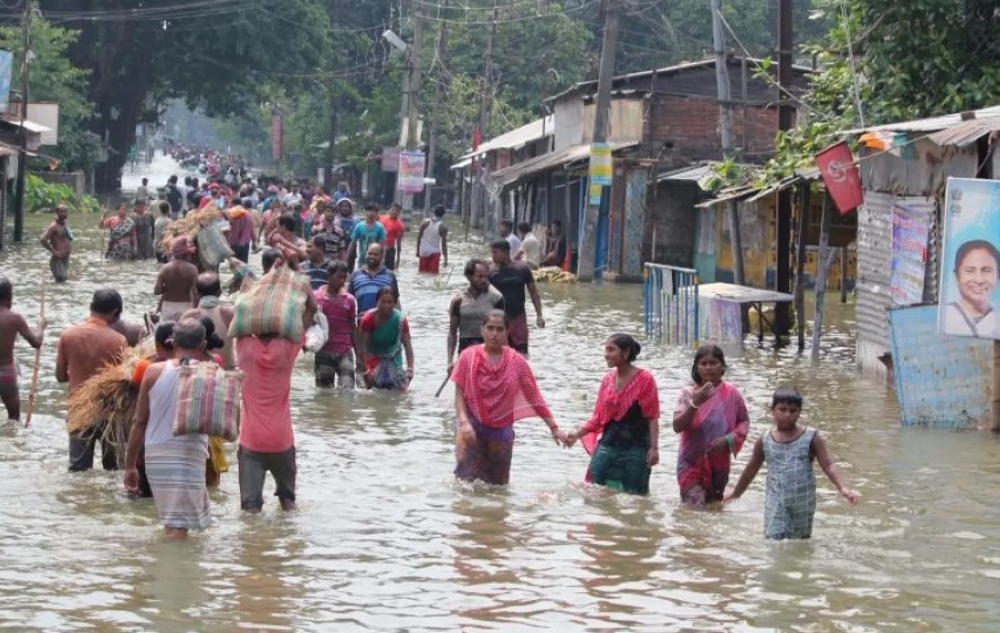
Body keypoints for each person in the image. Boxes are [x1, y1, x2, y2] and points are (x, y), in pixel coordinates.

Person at [725, 387, 860, 539]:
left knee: (800, 543)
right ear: (772, 410)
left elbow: (828, 465)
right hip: (776, 501)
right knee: (774, 540)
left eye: (793, 410)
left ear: (799, 412)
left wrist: (843, 488)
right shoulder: (765, 440)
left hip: (803, 502)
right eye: (782, 409)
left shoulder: (811, 438)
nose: (788, 415)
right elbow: (751, 468)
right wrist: (736, 494)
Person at [450, 310, 567, 485]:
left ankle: (496, 512)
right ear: (482, 330)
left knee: (497, 486)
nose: (494, 334)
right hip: (471, 426)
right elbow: (459, 394)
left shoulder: (517, 362)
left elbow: (534, 397)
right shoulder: (468, 357)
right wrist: (464, 421)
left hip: (501, 431)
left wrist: (554, 428)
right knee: (464, 482)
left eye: (499, 329)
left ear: (507, 332)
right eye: (490, 328)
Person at [124, 318, 211, 539]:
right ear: (202, 346)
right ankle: (173, 572)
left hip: (156, 455)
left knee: (171, 522)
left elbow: (139, 421)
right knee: (180, 527)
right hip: (190, 454)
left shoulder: (152, 372)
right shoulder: (209, 373)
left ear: (172, 341)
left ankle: (165, 567)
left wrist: (130, 465)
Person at [565, 334, 660, 495]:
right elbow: (598, 417)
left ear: (626, 352)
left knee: (636, 498)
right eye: (605, 349)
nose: (606, 354)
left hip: (637, 449)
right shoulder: (607, 380)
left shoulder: (645, 380)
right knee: (593, 493)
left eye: (611, 350)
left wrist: (654, 448)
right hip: (607, 446)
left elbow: (652, 417)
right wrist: (576, 434)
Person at [56, 289, 129, 472]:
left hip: (79, 410)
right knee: (114, 469)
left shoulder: (68, 335)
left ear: (91, 307)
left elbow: (60, 376)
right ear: (115, 312)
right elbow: (123, 381)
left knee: (78, 470)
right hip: (109, 411)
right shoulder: (118, 340)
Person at [672, 344, 750, 506]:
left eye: (713, 363)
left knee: (714, 507)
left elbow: (743, 421)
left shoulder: (732, 393)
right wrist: (695, 403)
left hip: (719, 462)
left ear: (722, 367)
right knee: (693, 508)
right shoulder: (688, 393)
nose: (708, 368)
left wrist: (728, 440)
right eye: (704, 363)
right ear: (697, 368)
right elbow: (677, 426)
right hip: (690, 461)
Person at [488, 239, 545, 355]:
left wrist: (539, 315)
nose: (492, 256)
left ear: (505, 252)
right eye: (492, 253)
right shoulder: (491, 271)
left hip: (518, 318)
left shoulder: (522, 269)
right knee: (500, 354)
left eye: (495, 252)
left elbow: (534, 293)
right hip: (499, 320)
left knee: (522, 354)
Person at [0, 277, 45, 422]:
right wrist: (41, 326)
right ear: (10, 296)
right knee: (14, 419)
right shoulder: (14, 318)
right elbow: (36, 343)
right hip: (6, 373)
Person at [447, 258, 505, 367]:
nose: (484, 280)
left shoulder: (496, 298)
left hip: (490, 353)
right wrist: (450, 361)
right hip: (465, 353)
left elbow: (503, 331)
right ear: (469, 277)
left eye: (486, 277)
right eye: (479, 277)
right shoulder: (458, 301)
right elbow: (452, 332)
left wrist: (504, 359)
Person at [315, 261, 361, 388]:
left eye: (345, 278)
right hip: (323, 351)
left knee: (348, 391)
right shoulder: (316, 298)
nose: (342, 282)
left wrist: (359, 356)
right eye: (339, 277)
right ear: (329, 276)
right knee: (324, 393)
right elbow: (309, 324)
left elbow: (353, 328)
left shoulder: (350, 300)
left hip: (344, 351)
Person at [940, 239, 1000, 337]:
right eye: (970, 271)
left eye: (987, 271)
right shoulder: (942, 318)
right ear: (956, 276)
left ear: (998, 276)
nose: (979, 280)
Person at [359, 286, 414, 390]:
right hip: (373, 359)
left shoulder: (400, 320)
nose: (386, 305)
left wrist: (410, 368)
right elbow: (363, 347)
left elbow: (407, 345)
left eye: (390, 302)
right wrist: (366, 370)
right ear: (377, 302)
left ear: (394, 304)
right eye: (383, 302)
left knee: (399, 393)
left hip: (394, 359)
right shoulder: (368, 319)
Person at [186, 272, 236, 370]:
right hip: (226, 370)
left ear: (197, 292)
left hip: (198, 372)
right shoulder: (228, 312)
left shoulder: (190, 316)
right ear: (220, 292)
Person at [154, 237, 199, 322]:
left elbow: (157, 291)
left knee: (166, 333)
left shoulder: (165, 269)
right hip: (186, 307)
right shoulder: (193, 269)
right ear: (187, 254)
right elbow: (195, 293)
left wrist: (167, 288)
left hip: (168, 307)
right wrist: (196, 311)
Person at [349, 243, 400, 316]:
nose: (372, 256)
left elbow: (396, 302)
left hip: (385, 322)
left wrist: (399, 320)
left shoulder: (390, 276)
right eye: (370, 253)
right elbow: (349, 302)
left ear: (382, 256)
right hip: (362, 322)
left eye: (376, 254)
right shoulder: (356, 275)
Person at [347, 204, 387, 270]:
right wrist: (347, 257)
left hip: (376, 260)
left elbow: (382, 245)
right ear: (365, 212)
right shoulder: (359, 226)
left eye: (374, 211)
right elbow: (353, 243)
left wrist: (383, 259)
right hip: (362, 260)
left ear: (377, 213)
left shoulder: (380, 227)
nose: (372, 213)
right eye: (370, 210)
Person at [40, 204, 73, 283]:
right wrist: (54, 251)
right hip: (57, 259)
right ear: (56, 212)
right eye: (61, 212)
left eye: (65, 212)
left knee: (63, 281)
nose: (63, 214)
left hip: (65, 259)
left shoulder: (65, 224)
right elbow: (43, 239)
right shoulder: (53, 226)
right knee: (61, 281)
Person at [417, 205, 449, 274]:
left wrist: (417, 251)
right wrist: (446, 259)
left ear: (434, 212)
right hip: (435, 252)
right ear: (443, 214)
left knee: (422, 273)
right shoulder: (443, 227)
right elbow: (444, 245)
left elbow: (419, 237)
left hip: (423, 251)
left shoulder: (425, 222)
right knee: (433, 275)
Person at [227, 198, 256, 263]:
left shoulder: (236, 213)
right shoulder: (248, 213)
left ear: (233, 204)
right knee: (244, 266)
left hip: (236, 244)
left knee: (235, 267)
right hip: (246, 244)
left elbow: (236, 230)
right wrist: (254, 242)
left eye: (229, 203)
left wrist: (230, 243)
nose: (229, 205)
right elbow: (252, 229)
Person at [380, 203, 405, 270]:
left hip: (389, 251)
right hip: (378, 248)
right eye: (393, 209)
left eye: (397, 211)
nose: (394, 212)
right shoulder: (381, 218)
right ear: (389, 209)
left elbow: (399, 243)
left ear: (399, 213)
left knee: (388, 270)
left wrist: (398, 259)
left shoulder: (399, 225)